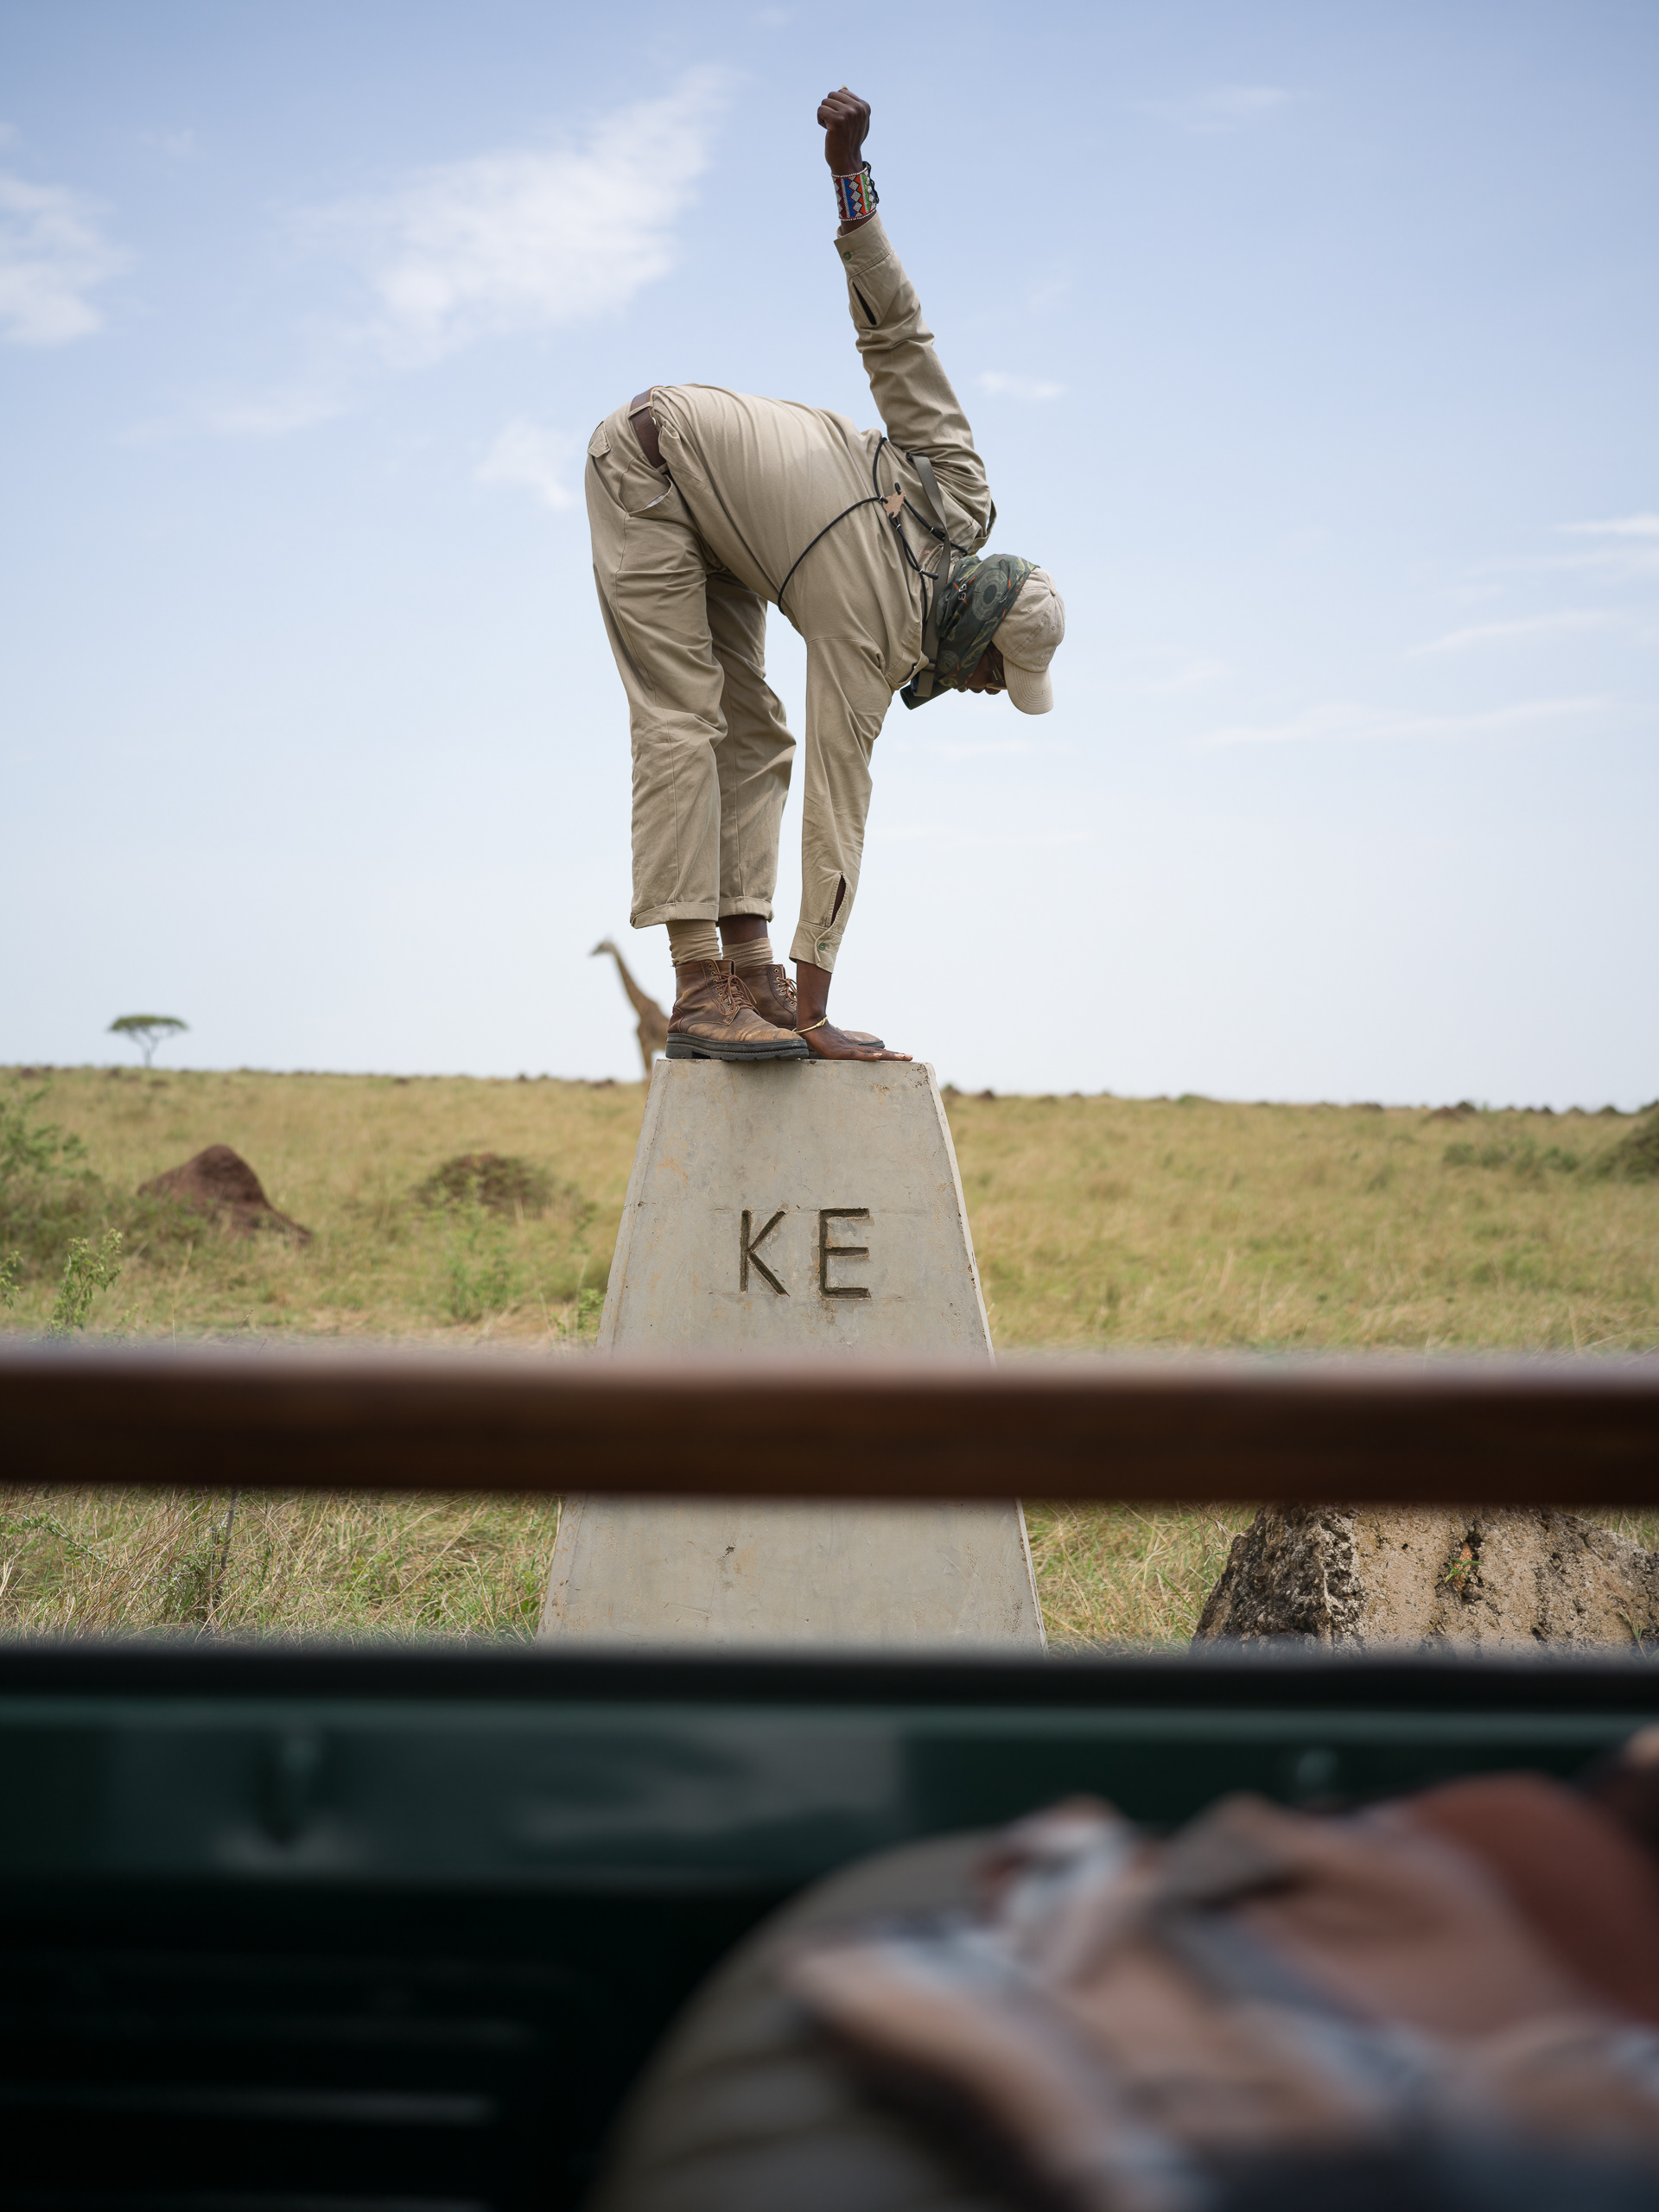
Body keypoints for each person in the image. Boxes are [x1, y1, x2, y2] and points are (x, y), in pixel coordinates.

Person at [585, 87, 1065, 1065]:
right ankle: (695, 983)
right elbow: (900, 337)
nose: (978, 690)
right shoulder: (884, 619)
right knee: (684, 714)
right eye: (990, 676)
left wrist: (788, 988)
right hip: (650, 463)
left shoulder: (961, 503)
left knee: (755, 730)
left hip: (727, 523)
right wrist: (854, 183)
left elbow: (900, 347)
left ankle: (748, 970)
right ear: (974, 642)